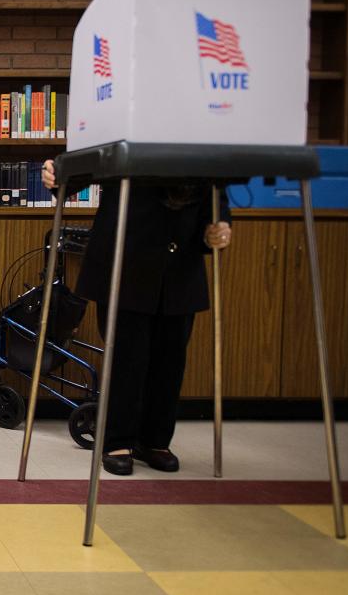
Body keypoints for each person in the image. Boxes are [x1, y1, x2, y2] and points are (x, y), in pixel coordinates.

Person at [42, 160, 231, 475]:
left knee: (171, 361)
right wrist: (56, 172)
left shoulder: (199, 129)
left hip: (181, 264)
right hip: (124, 260)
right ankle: (117, 439)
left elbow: (215, 186)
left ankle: (155, 440)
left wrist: (220, 223)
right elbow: (78, 169)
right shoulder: (125, 120)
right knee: (127, 358)